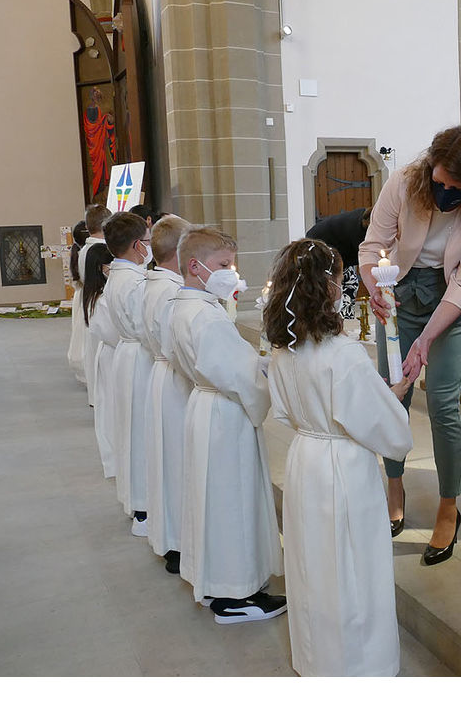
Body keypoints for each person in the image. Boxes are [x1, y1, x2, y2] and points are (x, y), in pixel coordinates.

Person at [263, 238, 414, 676]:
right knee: (350, 566)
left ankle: (317, 659)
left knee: (313, 563)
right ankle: (358, 666)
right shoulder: (342, 353)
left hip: (305, 457)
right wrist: (394, 396)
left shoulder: (282, 347)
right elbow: (387, 431)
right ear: (327, 287)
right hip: (342, 468)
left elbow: (287, 410)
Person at [358, 124, 461, 565]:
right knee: (393, 398)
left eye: (456, 189)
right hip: (398, 293)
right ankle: (395, 485)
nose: (444, 193)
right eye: (439, 183)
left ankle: (448, 505)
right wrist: (375, 290)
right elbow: (372, 248)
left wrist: (424, 339)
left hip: (452, 304)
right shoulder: (404, 182)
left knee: (442, 403)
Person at [170, 226, 286, 624]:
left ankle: (224, 582)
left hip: (205, 406)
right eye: (223, 264)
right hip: (224, 415)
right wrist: (269, 375)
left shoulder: (184, 307)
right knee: (232, 502)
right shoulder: (207, 317)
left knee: (215, 501)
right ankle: (236, 594)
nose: (232, 272)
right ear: (195, 266)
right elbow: (240, 377)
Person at [141, 215, 192, 575]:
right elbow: (183, 349)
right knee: (176, 462)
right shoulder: (174, 292)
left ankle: (171, 537)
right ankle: (178, 542)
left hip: (161, 375)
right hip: (176, 380)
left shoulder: (152, 283)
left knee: (167, 460)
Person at [102, 211, 154, 536]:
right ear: (138, 245)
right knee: (140, 431)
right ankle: (145, 508)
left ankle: (137, 501)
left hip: (126, 355)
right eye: (147, 242)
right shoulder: (135, 281)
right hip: (139, 357)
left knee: (131, 428)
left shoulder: (117, 275)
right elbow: (145, 327)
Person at [83, 243, 118, 479]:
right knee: (113, 412)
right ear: (101, 268)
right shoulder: (100, 299)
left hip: (114, 355)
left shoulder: (102, 296)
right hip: (113, 356)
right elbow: (116, 335)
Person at [307, 205, 371, 319]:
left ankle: (345, 316)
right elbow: (367, 257)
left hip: (340, 251)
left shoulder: (363, 221)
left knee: (351, 282)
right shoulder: (357, 229)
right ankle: (334, 319)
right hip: (320, 245)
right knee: (332, 286)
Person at [81, 204, 112, 409]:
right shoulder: (98, 251)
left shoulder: (85, 249)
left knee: (92, 358)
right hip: (96, 301)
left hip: (89, 296)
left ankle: (96, 397)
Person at [67, 220, 90, 383]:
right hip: (85, 294)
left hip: (79, 294)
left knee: (79, 331)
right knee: (84, 332)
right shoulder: (86, 254)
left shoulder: (76, 251)